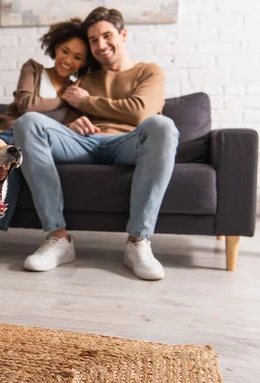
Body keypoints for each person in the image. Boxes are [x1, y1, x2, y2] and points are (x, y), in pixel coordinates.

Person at [11, 7, 180, 280]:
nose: (100, 45)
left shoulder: (149, 72)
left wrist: (87, 102)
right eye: (93, 40)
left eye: (106, 36)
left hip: (128, 142)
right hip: (85, 143)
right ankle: (58, 238)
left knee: (162, 125)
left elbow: (140, 112)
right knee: (28, 121)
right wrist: (72, 124)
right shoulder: (86, 79)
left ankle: (138, 241)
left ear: (123, 34)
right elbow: (70, 118)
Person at [0, 18, 96, 231]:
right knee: (7, 155)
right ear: (56, 47)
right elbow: (27, 105)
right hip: (8, 133)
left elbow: (65, 129)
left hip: (37, 144)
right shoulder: (33, 69)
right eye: (65, 51)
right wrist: (64, 98)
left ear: (83, 63)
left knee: (25, 153)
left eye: (77, 57)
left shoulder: (78, 91)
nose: (68, 60)